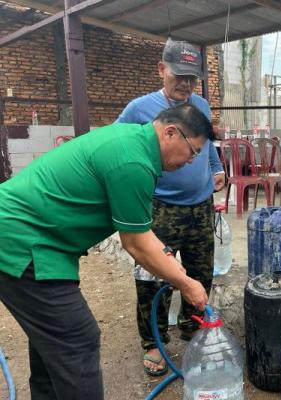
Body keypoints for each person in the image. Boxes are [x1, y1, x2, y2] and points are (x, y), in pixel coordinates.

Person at [0, 104, 212, 399]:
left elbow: (139, 229)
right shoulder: (134, 162)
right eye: (194, 150)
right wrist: (186, 283)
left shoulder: (131, 142)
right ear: (171, 133)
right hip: (23, 242)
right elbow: (135, 243)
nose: (192, 160)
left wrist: (164, 255)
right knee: (76, 339)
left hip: (33, 238)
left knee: (52, 339)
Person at [116, 38, 224, 376]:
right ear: (162, 69)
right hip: (160, 209)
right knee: (153, 277)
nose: (186, 84)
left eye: (192, 78)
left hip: (200, 207)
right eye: (179, 75)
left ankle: (194, 329)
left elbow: (206, 146)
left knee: (200, 274)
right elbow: (118, 144)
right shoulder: (139, 108)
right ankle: (154, 342)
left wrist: (216, 168)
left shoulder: (202, 106)